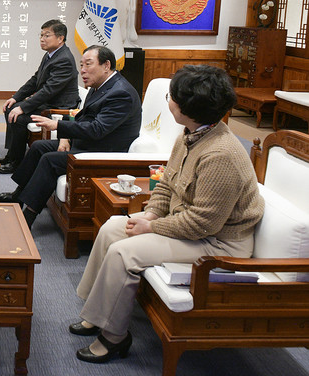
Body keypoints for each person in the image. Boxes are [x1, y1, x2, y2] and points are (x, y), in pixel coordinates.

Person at [69, 64, 264, 364]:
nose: (168, 101)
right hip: (188, 227)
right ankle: (97, 314)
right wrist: (150, 215)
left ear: (188, 108)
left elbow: (203, 224)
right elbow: (165, 185)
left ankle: (114, 336)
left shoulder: (221, 154)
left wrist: (152, 228)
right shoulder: (190, 135)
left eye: (172, 96)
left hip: (220, 244)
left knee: (124, 252)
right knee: (111, 228)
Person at [0, 45, 142, 229]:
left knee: (50, 160)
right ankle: (18, 196)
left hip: (102, 153)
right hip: (87, 143)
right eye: (81, 65)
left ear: (106, 65)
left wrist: (58, 126)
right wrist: (64, 136)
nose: (83, 70)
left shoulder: (121, 93)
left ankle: (28, 218)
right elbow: (82, 117)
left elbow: (97, 129)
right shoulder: (100, 86)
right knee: (39, 147)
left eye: (88, 64)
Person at [0, 20, 79, 174]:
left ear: (60, 38)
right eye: (41, 35)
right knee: (10, 108)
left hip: (58, 108)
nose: (42, 39)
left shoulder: (64, 59)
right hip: (48, 102)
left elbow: (48, 90)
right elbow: (36, 80)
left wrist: (23, 107)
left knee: (19, 117)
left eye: (47, 35)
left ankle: (16, 162)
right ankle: (11, 155)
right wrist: (16, 98)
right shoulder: (50, 55)